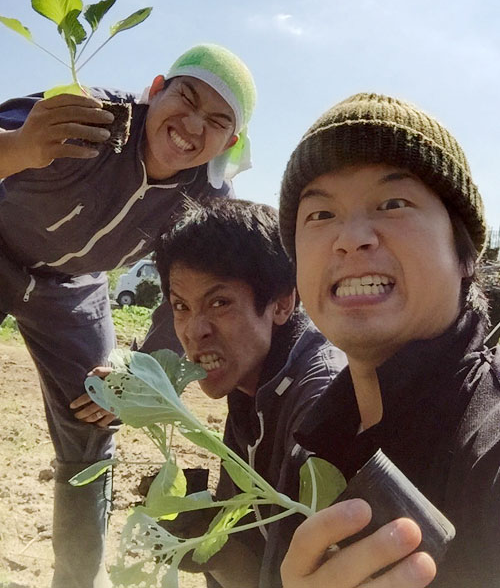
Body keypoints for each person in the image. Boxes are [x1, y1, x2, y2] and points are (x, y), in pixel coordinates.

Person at [0, 43, 256, 588]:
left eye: (215, 122)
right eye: (185, 98)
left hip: (71, 291)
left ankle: (75, 581)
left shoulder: (205, 200)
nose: (191, 125)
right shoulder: (88, 116)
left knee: (94, 421)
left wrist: (144, 374)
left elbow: (183, 294)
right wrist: (19, 147)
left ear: (228, 142)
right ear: (157, 87)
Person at [276, 91, 500, 587]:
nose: (351, 237)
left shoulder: (489, 442)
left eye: (393, 203)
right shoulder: (313, 444)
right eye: (320, 215)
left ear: (464, 255)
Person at [73, 198, 347, 587]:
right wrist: (201, 530)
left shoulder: (319, 400)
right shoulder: (249, 383)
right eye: (181, 306)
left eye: (219, 303)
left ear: (283, 304)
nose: (194, 330)